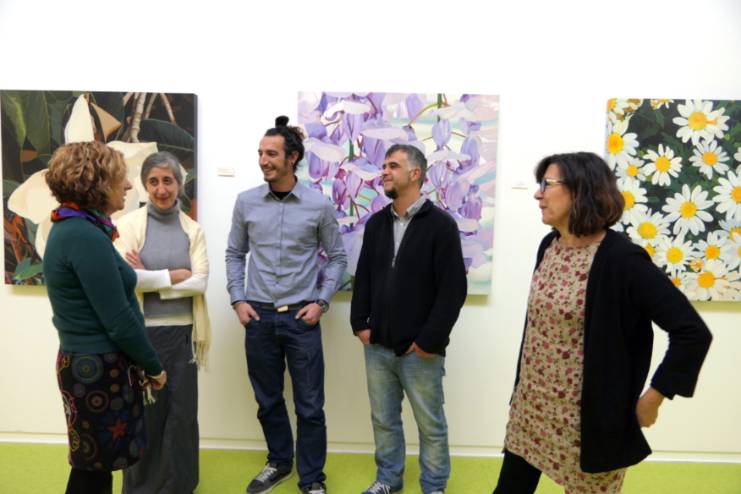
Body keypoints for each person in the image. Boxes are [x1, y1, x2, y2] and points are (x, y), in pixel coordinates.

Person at [492, 152, 713, 494]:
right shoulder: (550, 246)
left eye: (547, 184)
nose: (538, 194)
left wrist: (654, 397)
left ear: (580, 190)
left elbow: (692, 332)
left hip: (587, 425)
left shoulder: (622, 260)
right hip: (531, 409)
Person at [225, 116, 347, 494]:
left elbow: (338, 258)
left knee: (310, 405)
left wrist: (321, 302)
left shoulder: (318, 205)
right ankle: (279, 462)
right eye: (261, 153)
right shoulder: (246, 202)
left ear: (292, 158)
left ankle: (311, 478)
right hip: (258, 317)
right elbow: (234, 253)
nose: (263, 160)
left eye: (272, 154)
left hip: (301, 318)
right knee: (267, 400)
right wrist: (238, 299)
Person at [42, 141, 167, 494]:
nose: (127, 186)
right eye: (120, 178)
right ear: (96, 183)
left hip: (92, 366)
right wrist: (153, 366)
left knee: (94, 468)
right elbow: (118, 319)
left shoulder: (77, 229)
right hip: (96, 368)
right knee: (93, 471)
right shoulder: (83, 235)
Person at [350, 143, 468, 494]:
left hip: (421, 351)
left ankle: (433, 486)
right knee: (383, 420)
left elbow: (452, 291)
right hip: (378, 347)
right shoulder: (376, 223)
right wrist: (360, 325)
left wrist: (429, 341)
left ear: (415, 174)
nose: (384, 171)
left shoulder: (441, 225)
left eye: (393, 166)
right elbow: (364, 277)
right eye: (384, 166)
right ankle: (388, 480)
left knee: (430, 425)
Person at [114, 151, 211, 494]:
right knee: (147, 415)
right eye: (153, 181)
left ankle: (180, 485)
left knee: (182, 416)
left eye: (168, 181)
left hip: (184, 336)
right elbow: (127, 279)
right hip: (142, 336)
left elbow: (200, 283)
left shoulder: (192, 230)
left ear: (179, 184)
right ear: (144, 185)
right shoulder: (128, 226)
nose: (161, 189)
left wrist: (152, 276)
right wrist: (174, 276)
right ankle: (142, 488)